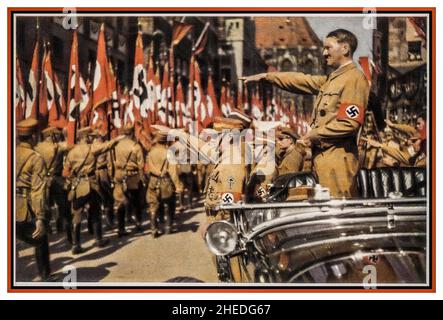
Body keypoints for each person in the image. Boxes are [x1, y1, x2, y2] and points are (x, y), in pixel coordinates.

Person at [241, 29, 370, 198]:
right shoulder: (333, 79)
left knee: (336, 214)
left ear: (345, 48)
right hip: (324, 160)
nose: (324, 53)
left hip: (337, 162)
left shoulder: (354, 79)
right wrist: (267, 76)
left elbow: (349, 123)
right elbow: (302, 80)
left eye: (328, 48)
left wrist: (314, 134)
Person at [63, 127, 122, 254]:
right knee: (95, 211)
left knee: (77, 214)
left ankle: (75, 244)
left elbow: (66, 172)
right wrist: (117, 139)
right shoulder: (92, 149)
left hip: (78, 184)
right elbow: (106, 146)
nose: (91, 137)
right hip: (91, 184)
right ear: (85, 137)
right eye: (89, 136)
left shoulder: (71, 152)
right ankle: (99, 239)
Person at [15, 118, 52, 281]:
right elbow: (38, 191)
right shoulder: (35, 158)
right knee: (40, 238)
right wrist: (40, 217)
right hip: (23, 207)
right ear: (33, 137)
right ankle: (44, 275)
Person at [34, 126, 73, 244]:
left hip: (43, 180)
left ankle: (48, 229)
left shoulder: (37, 147)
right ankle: (67, 233)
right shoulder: (58, 146)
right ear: (52, 135)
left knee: (46, 205)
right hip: (56, 180)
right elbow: (71, 145)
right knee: (63, 206)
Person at [145, 126, 183, 238]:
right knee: (170, 204)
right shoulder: (169, 153)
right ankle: (168, 227)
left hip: (153, 181)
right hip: (166, 182)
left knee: (153, 205)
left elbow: (148, 169)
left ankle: (154, 229)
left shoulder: (151, 152)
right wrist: (177, 185)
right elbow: (173, 171)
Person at [113, 124, 145, 236]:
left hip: (119, 175)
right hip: (133, 175)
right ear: (132, 133)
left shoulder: (116, 145)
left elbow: (111, 161)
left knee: (120, 202)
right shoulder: (136, 146)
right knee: (136, 200)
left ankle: (121, 228)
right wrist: (143, 179)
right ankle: (138, 223)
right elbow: (141, 165)